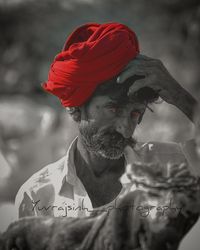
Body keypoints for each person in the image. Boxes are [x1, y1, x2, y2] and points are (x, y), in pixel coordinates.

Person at [15, 22, 199, 220]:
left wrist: (180, 96)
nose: (126, 129)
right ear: (75, 109)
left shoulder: (171, 168)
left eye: (135, 113)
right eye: (113, 109)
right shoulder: (37, 197)